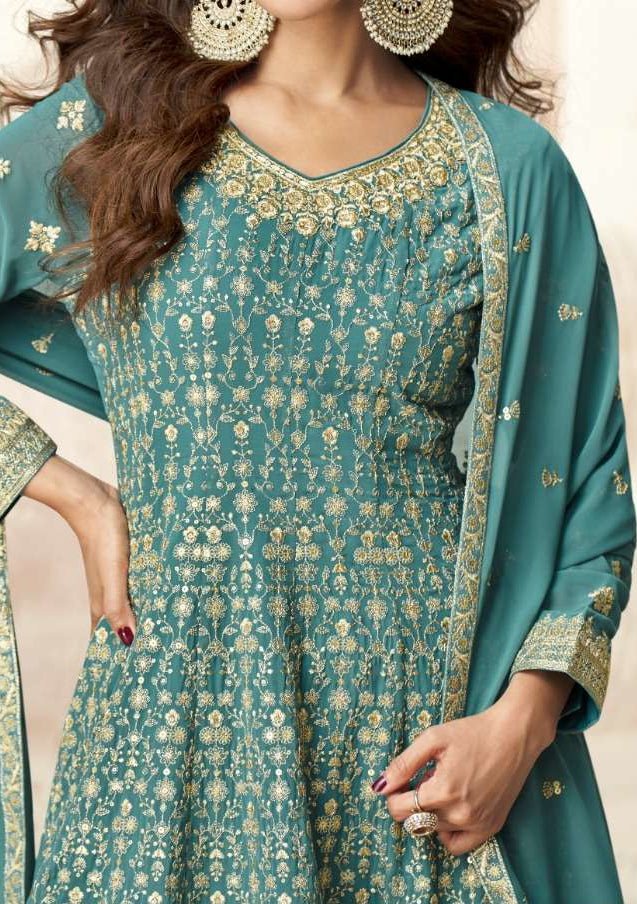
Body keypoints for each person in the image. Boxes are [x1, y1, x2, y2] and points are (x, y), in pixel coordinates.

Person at [0, 0, 634, 901]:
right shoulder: (113, 130)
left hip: (424, 743)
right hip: (174, 731)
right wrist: (76, 495)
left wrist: (520, 726)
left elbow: (583, 484)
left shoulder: (504, 165)